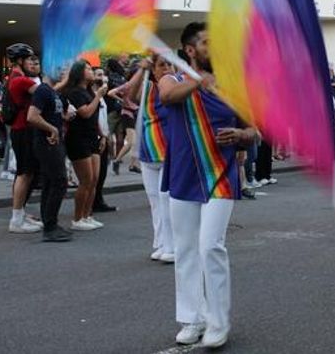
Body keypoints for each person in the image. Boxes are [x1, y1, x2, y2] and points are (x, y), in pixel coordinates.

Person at [159, 22, 256, 348]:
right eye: (207, 42)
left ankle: (218, 322)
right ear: (190, 50)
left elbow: (253, 130)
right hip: (184, 176)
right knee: (186, 250)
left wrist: (242, 135)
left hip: (221, 174)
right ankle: (192, 318)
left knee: (210, 246)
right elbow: (168, 97)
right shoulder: (171, 78)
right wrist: (200, 83)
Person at [125, 54, 175, 262]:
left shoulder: (175, 87)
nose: (166, 69)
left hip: (170, 152)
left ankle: (173, 246)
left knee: (167, 201)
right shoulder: (147, 88)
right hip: (148, 152)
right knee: (155, 202)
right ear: (153, 70)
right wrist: (141, 69)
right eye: (160, 66)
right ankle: (161, 243)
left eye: (169, 64)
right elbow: (130, 94)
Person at [27, 71, 75, 242]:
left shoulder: (52, 92)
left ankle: (50, 223)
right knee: (59, 181)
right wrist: (52, 128)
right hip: (46, 142)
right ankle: (50, 226)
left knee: (50, 182)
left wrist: (61, 120)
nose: (63, 72)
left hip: (54, 142)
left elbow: (50, 114)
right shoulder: (42, 91)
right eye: (60, 68)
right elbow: (32, 116)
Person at [63, 60, 107, 231]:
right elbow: (86, 113)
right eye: (87, 68)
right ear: (79, 72)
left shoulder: (88, 91)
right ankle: (77, 218)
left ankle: (88, 215)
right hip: (78, 138)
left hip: (92, 137)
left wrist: (102, 135)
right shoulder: (74, 92)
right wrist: (98, 96)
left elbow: (95, 118)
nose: (91, 70)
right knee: (86, 180)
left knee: (94, 180)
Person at [5, 43, 44, 233]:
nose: (32, 62)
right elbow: (46, 94)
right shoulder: (20, 80)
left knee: (25, 173)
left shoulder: (15, 77)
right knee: (24, 174)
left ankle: (20, 214)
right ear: (20, 60)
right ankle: (16, 219)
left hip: (21, 130)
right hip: (23, 130)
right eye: (28, 59)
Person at [92, 66, 115, 213]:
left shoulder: (102, 96)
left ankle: (98, 200)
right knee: (95, 174)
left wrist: (107, 137)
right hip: (95, 138)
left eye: (103, 74)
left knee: (102, 173)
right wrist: (101, 136)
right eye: (99, 75)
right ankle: (92, 203)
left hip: (104, 137)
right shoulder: (91, 95)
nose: (102, 78)